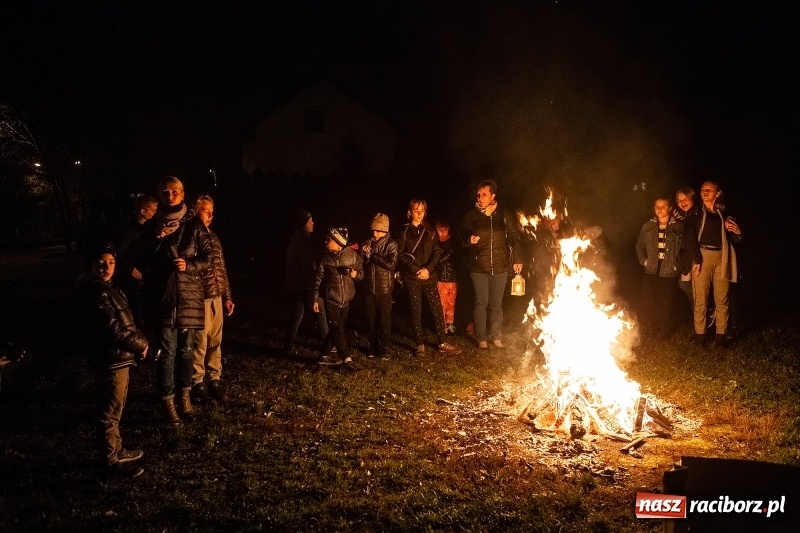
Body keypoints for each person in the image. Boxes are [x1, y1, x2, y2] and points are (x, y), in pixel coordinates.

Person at [138, 176, 211, 424]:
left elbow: (208, 256)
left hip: (189, 297)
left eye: (175, 192)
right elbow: (142, 259)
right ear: (160, 195)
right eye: (165, 192)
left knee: (187, 350)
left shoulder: (193, 224)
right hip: (164, 296)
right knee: (167, 352)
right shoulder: (151, 226)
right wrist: (156, 240)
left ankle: (185, 398)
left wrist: (189, 265)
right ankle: (167, 402)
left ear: (182, 195)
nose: (170, 196)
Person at [74, 239, 149, 478]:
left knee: (117, 407)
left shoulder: (108, 287)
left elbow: (125, 319)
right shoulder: (94, 291)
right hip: (109, 359)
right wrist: (141, 344)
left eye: (111, 262)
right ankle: (110, 461)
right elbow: (112, 329)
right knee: (109, 412)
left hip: (119, 358)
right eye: (101, 263)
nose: (107, 267)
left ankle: (118, 449)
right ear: (91, 265)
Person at [459, 180, 523, 349]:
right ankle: (482, 339)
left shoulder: (503, 214)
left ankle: (496, 337)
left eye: (484, 194)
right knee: (481, 302)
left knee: (496, 303)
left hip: (501, 265)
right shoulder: (472, 214)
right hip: (478, 266)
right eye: (478, 195)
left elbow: (515, 237)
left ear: (493, 196)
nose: (480, 197)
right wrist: (468, 239)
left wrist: (517, 259)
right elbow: (462, 234)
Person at [397, 199, 461, 356]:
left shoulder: (430, 230)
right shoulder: (404, 231)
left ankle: (442, 341)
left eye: (422, 211)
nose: (419, 214)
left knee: (436, 309)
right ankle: (420, 344)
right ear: (409, 212)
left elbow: (437, 251)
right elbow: (399, 254)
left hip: (429, 276)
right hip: (412, 277)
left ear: (426, 212)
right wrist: (415, 269)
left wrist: (428, 269)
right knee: (416, 309)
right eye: (415, 210)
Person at [191, 195, 234, 405]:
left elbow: (221, 268)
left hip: (217, 296)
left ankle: (214, 378)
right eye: (206, 211)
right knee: (200, 342)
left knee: (216, 340)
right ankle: (196, 381)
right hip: (201, 297)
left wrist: (227, 296)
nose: (210, 215)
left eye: (212, 212)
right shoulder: (192, 237)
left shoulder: (214, 238)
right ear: (195, 212)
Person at [687, 181, 742, 346]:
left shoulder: (724, 214)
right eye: (703, 189)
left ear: (717, 193)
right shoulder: (695, 212)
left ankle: (721, 337)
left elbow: (733, 239)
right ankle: (700, 336)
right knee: (701, 299)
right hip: (703, 256)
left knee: (722, 298)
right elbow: (689, 237)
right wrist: (696, 259)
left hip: (722, 257)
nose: (705, 191)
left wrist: (738, 233)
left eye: (709, 189)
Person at [312, 227, 364, 370]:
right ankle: (347, 359)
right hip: (331, 299)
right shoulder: (325, 257)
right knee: (338, 330)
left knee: (336, 330)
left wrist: (355, 275)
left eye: (329, 239)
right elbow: (318, 279)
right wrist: (315, 297)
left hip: (346, 300)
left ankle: (323, 357)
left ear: (338, 242)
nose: (325, 241)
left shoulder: (352, 256)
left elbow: (361, 274)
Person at [635, 197, 684, 338]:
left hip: (668, 269)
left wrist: (678, 264)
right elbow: (639, 244)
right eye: (657, 206)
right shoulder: (648, 226)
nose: (660, 209)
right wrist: (643, 260)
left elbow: (684, 248)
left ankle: (663, 331)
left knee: (666, 301)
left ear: (669, 208)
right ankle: (650, 328)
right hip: (651, 268)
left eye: (663, 206)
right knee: (648, 299)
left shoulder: (678, 226)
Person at [283, 209, 329, 357]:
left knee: (296, 315)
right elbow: (307, 266)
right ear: (304, 224)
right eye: (310, 221)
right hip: (304, 286)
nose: (313, 223)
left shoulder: (297, 239)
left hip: (295, 285)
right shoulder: (302, 242)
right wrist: (314, 281)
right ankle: (330, 345)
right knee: (320, 308)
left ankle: (288, 347)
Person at [115, 194, 157, 329]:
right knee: (137, 310)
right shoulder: (131, 229)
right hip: (132, 278)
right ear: (143, 211)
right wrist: (130, 268)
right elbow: (118, 252)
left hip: (142, 274)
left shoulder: (146, 228)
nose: (155, 213)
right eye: (153, 210)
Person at [361, 213, 398, 359]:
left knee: (383, 320)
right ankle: (372, 346)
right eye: (373, 230)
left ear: (385, 230)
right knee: (370, 319)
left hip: (384, 289)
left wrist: (373, 256)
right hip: (370, 287)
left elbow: (391, 264)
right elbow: (363, 264)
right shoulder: (368, 243)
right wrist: (364, 255)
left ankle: (385, 347)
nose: (374, 233)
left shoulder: (391, 244)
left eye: (377, 230)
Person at [673, 187, 701, 312]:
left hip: (694, 257)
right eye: (680, 200)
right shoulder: (688, 215)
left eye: (685, 199)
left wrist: (696, 259)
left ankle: (705, 312)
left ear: (692, 198)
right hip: (689, 257)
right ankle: (698, 320)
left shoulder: (696, 214)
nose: (682, 202)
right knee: (685, 284)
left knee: (689, 286)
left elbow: (693, 239)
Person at [434, 219, 458, 335]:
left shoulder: (453, 243)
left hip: (452, 279)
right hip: (440, 279)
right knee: (442, 303)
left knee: (451, 303)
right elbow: (437, 261)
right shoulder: (435, 243)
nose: (443, 232)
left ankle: (450, 324)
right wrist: (449, 254)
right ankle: (441, 325)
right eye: (440, 230)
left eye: (445, 230)